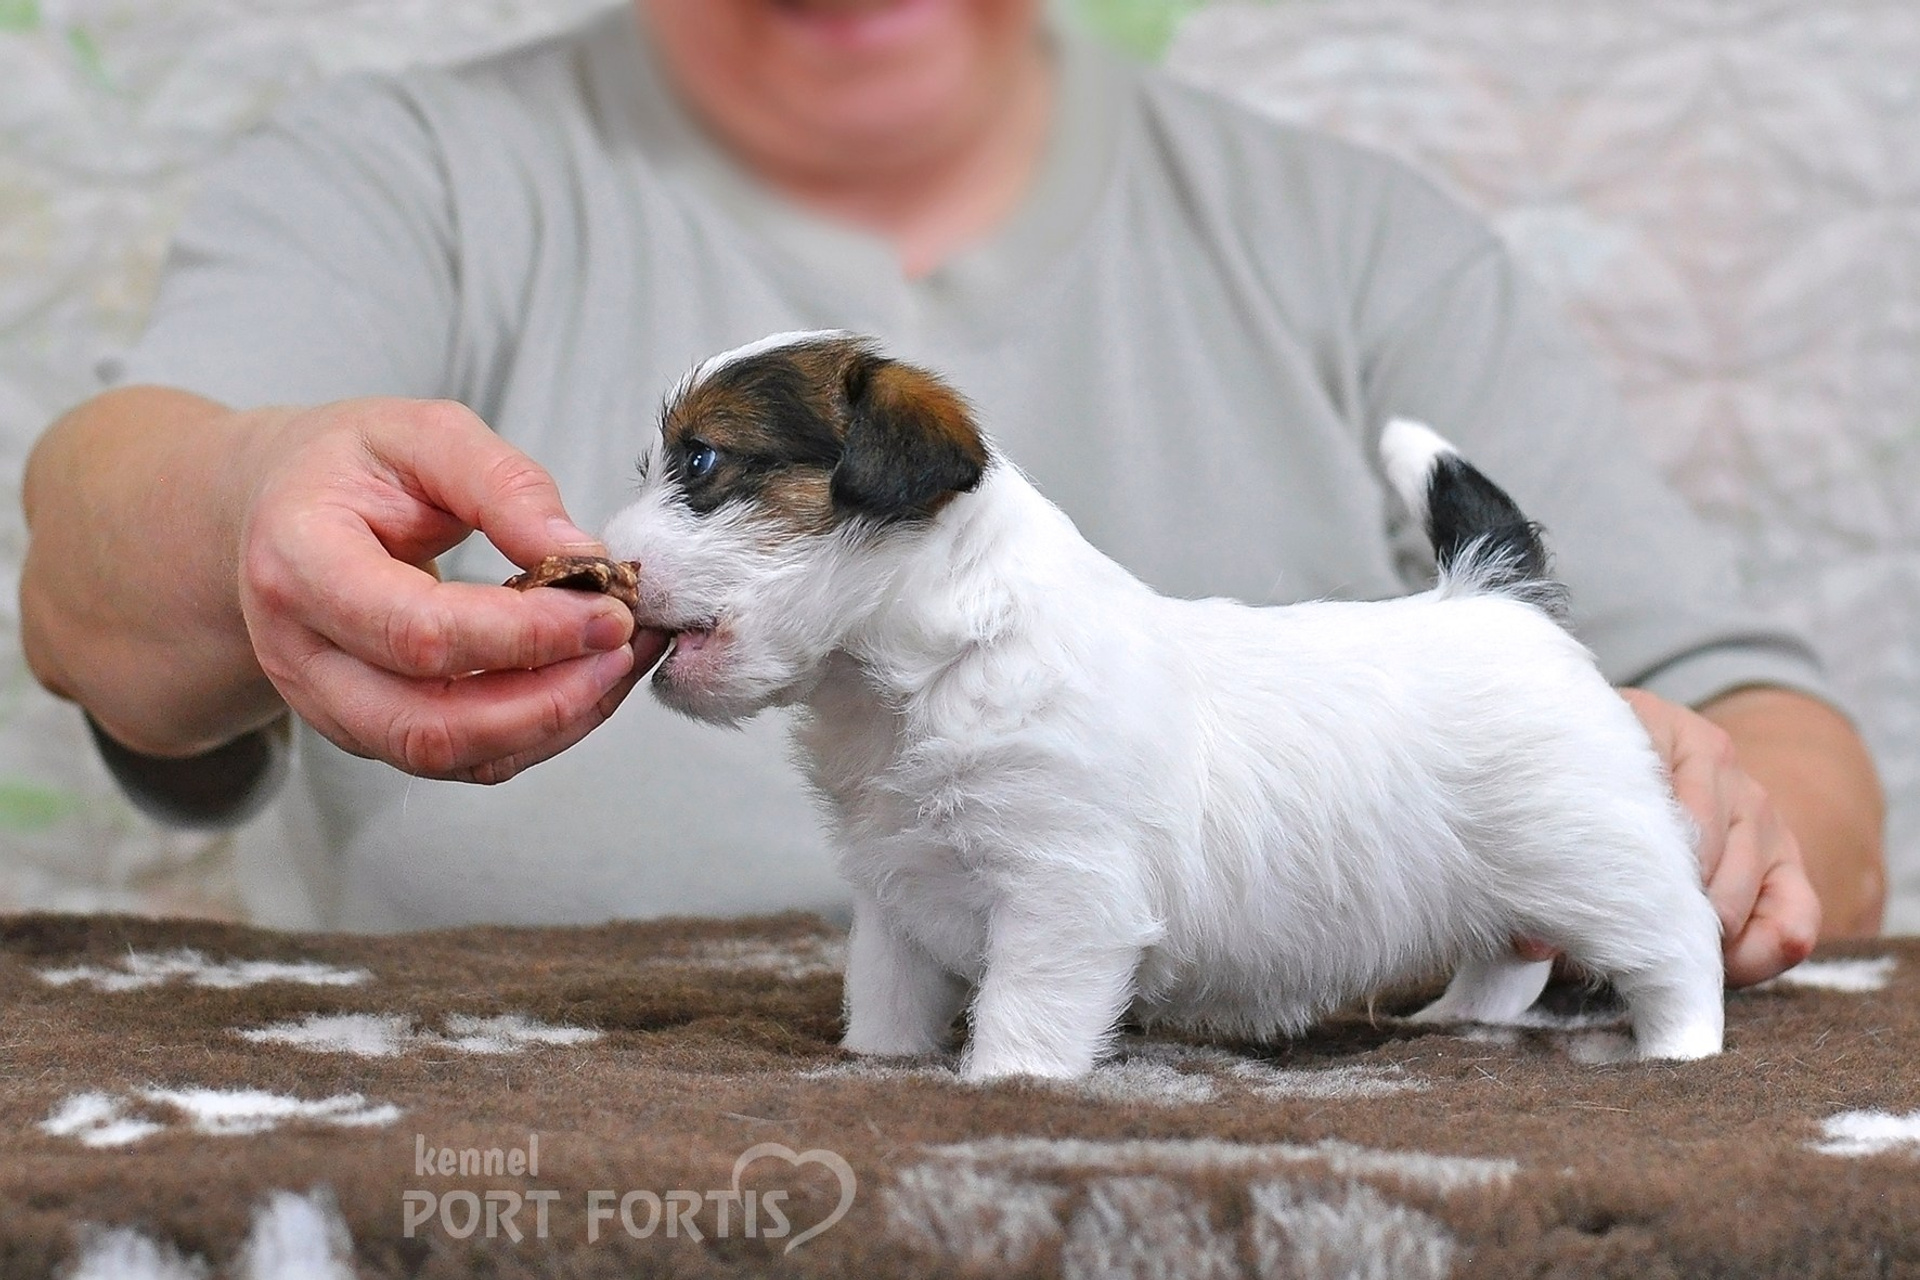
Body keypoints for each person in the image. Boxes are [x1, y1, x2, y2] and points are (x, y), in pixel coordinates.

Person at [18, 0, 1884, 985]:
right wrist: (237, 504)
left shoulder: (1358, 242)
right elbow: (90, 574)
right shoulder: (400, 172)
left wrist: (1688, 820)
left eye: (718, 491)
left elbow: (1782, 739)